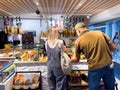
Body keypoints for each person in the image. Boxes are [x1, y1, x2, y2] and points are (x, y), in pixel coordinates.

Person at [71, 22, 116, 90]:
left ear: (78, 31)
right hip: (108, 65)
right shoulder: (99, 33)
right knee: (110, 88)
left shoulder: (78, 41)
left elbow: (76, 59)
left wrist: (68, 59)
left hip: (95, 68)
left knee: (93, 88)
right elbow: (113, 48)